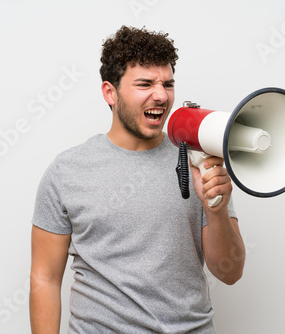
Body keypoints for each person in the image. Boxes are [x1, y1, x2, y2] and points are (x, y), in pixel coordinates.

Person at [29, 25, 246, 334]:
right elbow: (44, 278)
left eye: (168, 84)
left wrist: (216, 209)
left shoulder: (200, 162)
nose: (160, 95)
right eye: (145, 84)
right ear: (110, 92)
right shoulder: (67, 172)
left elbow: (231, 272)